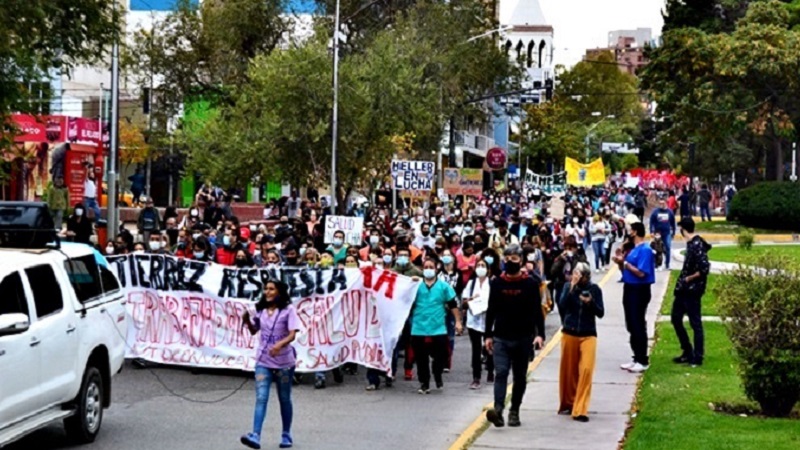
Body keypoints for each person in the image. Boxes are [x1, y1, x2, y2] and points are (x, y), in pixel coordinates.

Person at [484, 244, 546, 428]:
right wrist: (488, 335)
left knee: (520, 377)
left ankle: (514, 411)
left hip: (523, 337)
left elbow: (537, 311)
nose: (511, 262)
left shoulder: (530, 284)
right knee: (501, 373)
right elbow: (491, 310)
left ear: (521, 261)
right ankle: (498, 410)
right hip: (501, 337)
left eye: (515, 259)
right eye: (507, 258)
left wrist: (540, 334)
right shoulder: (497, 283)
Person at [241, 281, 299, 449]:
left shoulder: (289, 310)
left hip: (284, 363)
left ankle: (286, 434)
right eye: (266, 289)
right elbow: (254, 330)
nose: (267, 291)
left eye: (271, 289)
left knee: (284, 399)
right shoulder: (261, 310)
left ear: (279, 292)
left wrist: (279, 345)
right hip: (263, 361)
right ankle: (255, 435)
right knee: (261, 397)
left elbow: (292, 334)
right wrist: (246, 320)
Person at [558, 262, 604, 423]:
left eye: (579, 273)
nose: (575, 275)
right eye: (574, 272)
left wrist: (590, 302)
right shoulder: (567, 287)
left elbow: (600, 313)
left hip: (588, 334)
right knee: (569, 372)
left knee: (586, 370)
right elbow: (562, 305)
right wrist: (571, 288)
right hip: (570, 332)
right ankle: (569, 403)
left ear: (585, 276)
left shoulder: (595, 289)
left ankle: (580, 410)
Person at [409, 258, 463, 394]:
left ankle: (437, 373)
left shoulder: (443, 286)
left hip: (438, 327)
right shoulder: (416, 286)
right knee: (421, 358)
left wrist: (458, 321)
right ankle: (424, 383)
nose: (428, 269)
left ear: (436, 269)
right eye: (425, 267)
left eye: (431, 267)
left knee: (441, 356)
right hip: (419, 326)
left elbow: (453, 305)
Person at [612, 222, 655, 373]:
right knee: (630, 323)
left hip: (640, 289)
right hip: (629, 287)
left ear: (635, 232)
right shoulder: (632, 250)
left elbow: (642, 273)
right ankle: (636, 356)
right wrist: (620, 261)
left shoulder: (645, 250)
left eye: (631, 230)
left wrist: (625, 264)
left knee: (637, 323)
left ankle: (642, 359)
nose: (628, 232)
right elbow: (625, 270)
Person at [672, 217, 710, 367]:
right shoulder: (690, 245)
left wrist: (689, 278)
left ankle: (698, 356)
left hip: (692, 290)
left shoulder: (697, 245)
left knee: (695, 323)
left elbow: (704, 268)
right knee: (676, 318)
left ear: (684, 229)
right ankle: (687, 350)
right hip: (683, 290)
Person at [462, 259, 493, 389]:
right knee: (476, 349)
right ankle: (476, 377)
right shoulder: (471, 283)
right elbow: (463, 302)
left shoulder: (492, 284)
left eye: (483, 266)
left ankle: (491, 371)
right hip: (473, 320)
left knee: (489, 347)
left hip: (488, 320)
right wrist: (469, 300)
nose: (480, 268)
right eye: (478, 265)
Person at [649, 199, 676, 270]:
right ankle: (656, 264)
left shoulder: (670, 212)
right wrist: (651, 231)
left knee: (667, 248)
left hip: (667, 233)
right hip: (657, 233)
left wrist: (673, 232)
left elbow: (673, 223)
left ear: (666, 203)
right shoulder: (655, 212)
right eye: (660, 203)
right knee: (656, 249)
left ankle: (667, 264)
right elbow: (651, 222)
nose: (661, 205)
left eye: (662, 203)